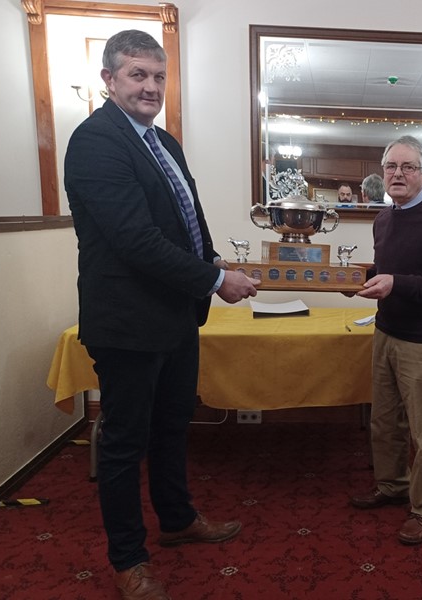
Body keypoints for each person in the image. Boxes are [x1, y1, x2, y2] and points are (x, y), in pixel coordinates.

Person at [64, 30, 260, 599]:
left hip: (175, 317)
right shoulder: (96, 141)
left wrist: (211, 260)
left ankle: (177, 520)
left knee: (175, 425)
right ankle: (128, 559)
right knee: (125, 442)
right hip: (128, 323)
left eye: (157, 76)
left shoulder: (162, 141)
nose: (150, 87)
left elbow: (183, 221)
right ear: (109, 80)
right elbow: (135, 240)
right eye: (137, 75)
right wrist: (217, 280)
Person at [350, 135, 422, 545]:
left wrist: (395, 284)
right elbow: (386, 270)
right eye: (391, 167)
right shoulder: (384, 218)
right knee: (384, 422)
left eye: (407, 167)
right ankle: (392, 485)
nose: (397, 174)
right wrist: (355, 283)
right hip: (386, 333)